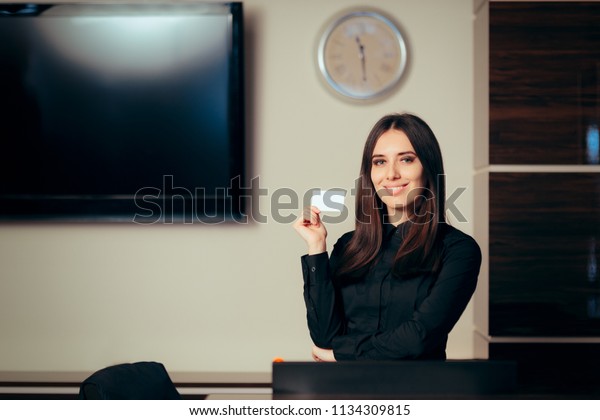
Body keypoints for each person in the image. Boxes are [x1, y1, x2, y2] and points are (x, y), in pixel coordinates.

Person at [293, 113, 481, 362]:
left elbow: (419, 338)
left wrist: (341, 353)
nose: (390, 174)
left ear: (428, 167)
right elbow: (324, 337)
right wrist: (317, 247)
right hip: (343, 393)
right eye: (379, 162)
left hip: (417, 393)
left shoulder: (458, 250)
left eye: (406, 159)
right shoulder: (349, 246)